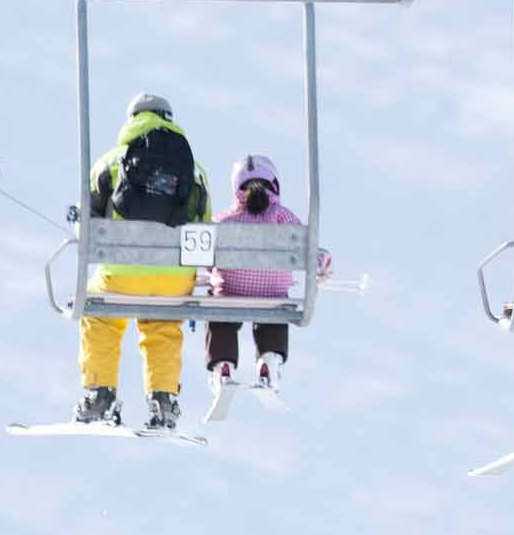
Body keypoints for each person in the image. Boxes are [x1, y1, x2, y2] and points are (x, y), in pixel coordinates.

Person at [75, 93, 210, 431]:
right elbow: (203, 230)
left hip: (121, 274)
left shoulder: (111, 162)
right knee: (163, 327)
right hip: (173, 280)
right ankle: (164, 402)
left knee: (100, 316)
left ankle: (100, 395)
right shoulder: (193, 170)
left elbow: (86, 226)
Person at [203, 154, 332, 400]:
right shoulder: (282, 217)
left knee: (219, 304)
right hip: (272, 292)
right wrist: (320, 264)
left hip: (232, 290)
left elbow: (207, 259)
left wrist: (213, 274)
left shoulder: (224, 221)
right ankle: (269, 358)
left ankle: (223, 365)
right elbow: (306, 248)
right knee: (274, 303)